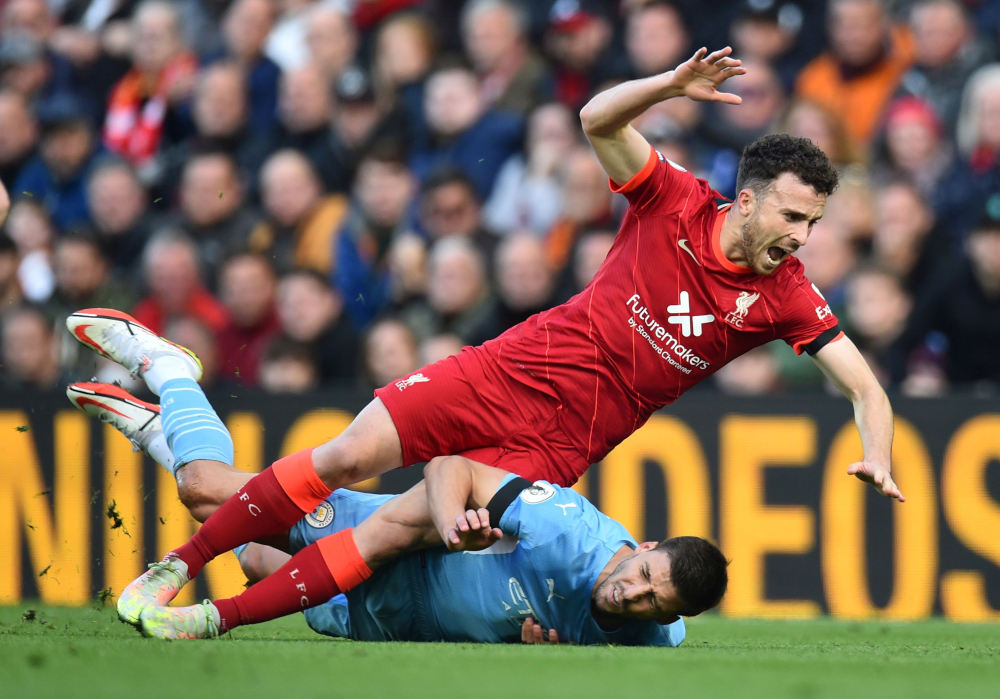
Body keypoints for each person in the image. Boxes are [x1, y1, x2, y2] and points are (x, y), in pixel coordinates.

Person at [65, 48, 904, 603]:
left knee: (235, 503)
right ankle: (173, 455)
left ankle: (169, 400)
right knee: (327, 467)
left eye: (814, 223)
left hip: (555, 451)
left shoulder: (789, 293)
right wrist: (666, 87)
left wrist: (878, 448)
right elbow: (597, 122)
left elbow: (865, 384)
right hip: (503, 372)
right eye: (793, 216)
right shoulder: (675, 199)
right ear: (749, 199)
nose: (801, 237)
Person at [66, 371, 725, 644]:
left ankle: (159, 434)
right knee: (206, 490)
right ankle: (175, 377)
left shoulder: (658, 633)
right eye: (641, 576)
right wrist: (448, 521)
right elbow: (452, 466)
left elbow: (666, 625)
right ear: (643, 545)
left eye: (650, 601)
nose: (630, 596)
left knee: (258, 559)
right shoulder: (564, 528)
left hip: (378, 621)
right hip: (386, 542)